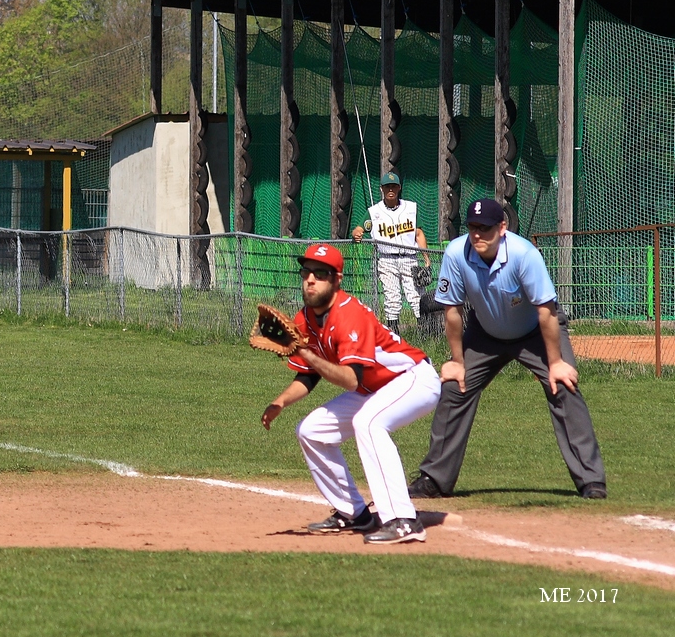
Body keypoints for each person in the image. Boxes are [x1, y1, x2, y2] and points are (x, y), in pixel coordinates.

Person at [410, 199, 607, 500]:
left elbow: (547, 312)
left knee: (563, 385)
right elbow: (452, 311)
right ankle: (434, 480)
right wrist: (457, 361)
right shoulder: (456, 253)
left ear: (502, 228)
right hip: (485, 333)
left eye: (485, 228)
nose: (478, 235)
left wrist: (555, 362)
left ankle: (591, 481)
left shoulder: (523, 254)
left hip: (536, 332)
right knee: (454, 388)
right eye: (473, 228)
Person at [260, 243, 442, 545]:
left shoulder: (349, 315)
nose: (311, 279)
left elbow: (349, 379)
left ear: (337, 280)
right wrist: (280, 402)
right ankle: (354, 513)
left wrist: (307, 352)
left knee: (368, 424)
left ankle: (403, 520)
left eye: (321, 273)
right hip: (373, 387)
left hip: (413, 378)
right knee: (311, 431)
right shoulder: (305, 318)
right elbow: (308, 373)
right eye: (307, 272)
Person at [350, 172, 431, 333]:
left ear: (399, 188)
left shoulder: (410, 208)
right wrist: (356, 233)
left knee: (416, 296)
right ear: (382, 189)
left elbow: (419, 234)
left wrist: (426, 258)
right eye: (387, 187)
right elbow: (359, 229)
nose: (391, 189)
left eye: (393, 186)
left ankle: (425, 333)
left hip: (409, 258)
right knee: (392, 298)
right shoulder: (374, 212)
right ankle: (394, 334)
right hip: (386, 260)